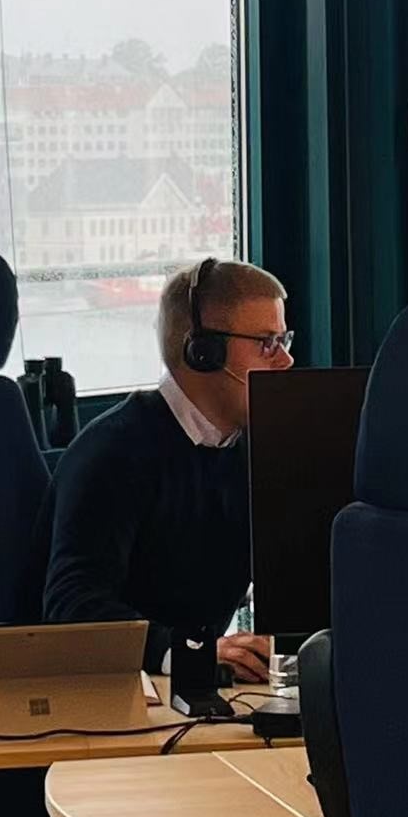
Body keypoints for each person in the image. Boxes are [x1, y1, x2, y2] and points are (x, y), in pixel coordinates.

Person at [36, 257, 294, 680]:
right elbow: (73, 607)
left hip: (189, 687)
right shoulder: (114, 453)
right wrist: (187, 654)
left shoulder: (250, 449)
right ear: (204, 353)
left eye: (284, 340)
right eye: (267, 343)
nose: (285, 361)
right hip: (100, 689)